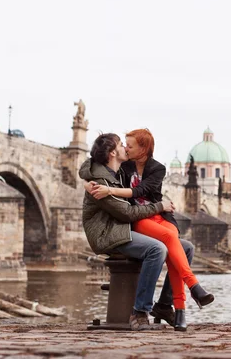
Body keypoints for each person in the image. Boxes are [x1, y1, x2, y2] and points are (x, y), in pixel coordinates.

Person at [88, 129, 214, 331]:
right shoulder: (113, 170)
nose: (125, 148)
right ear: (114, 152)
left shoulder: (153, 168)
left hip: (150, 219)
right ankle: (152, 308)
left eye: (129, 145)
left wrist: (161, 208)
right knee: (159, 247)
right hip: (125, 225)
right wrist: (88, 183)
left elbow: (143, 191)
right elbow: (91, 165)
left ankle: (165, 305)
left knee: (186, 247)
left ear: (143, 148)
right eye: (123, 145)